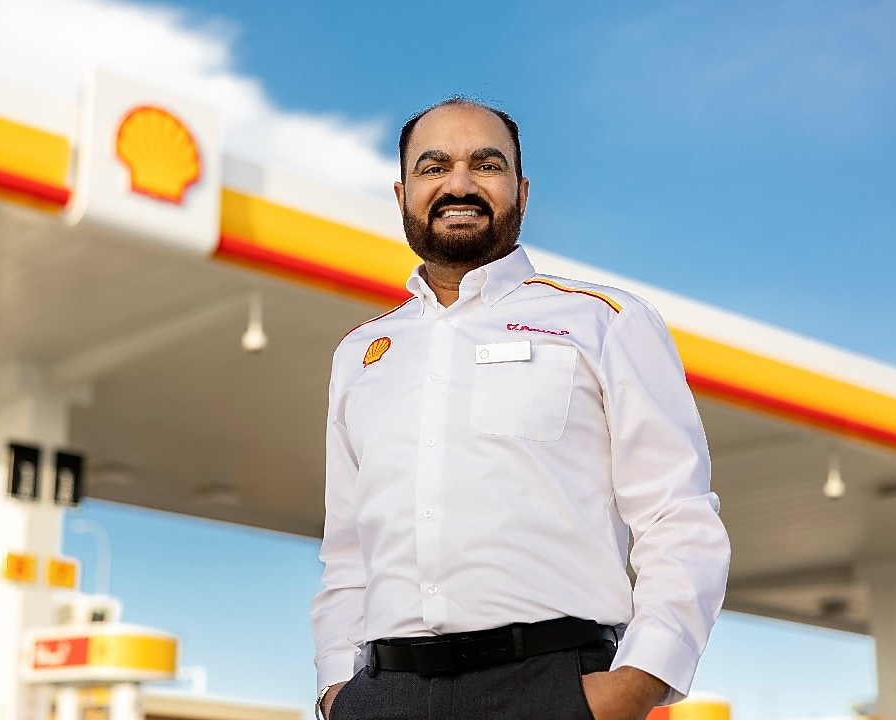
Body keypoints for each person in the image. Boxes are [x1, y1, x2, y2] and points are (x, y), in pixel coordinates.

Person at [310, 98, 730, 720]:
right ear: (402, 193)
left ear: (522, 191)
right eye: (434, 167)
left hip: (554, 688)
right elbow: (347, 551)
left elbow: (678, 516)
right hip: (384, 693)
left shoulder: (605, 322)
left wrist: (638, 683)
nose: (459, 184)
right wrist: (337, 691)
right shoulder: (360, 356)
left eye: (486, 164)